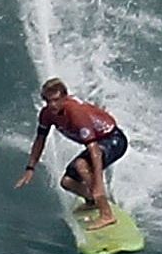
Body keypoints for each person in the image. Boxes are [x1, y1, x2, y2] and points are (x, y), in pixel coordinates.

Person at [15, 77, 127, 221]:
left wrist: (98, 184)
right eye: (48, 101)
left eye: (56, 100)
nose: (52, 105)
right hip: (99, 142)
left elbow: (95, 152)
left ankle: (106, 213)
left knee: (82, 165)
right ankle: (92, 201)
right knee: (67, 182)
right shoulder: (47, 114)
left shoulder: (75, 113)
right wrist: (30, 168)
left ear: (65, 97)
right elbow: (40, 139)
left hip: (114, 140)